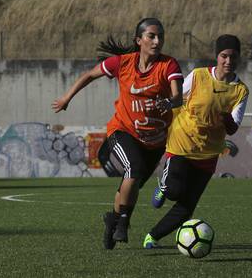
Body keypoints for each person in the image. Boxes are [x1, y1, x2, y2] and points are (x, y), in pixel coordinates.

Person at [51, 18, 183, 249]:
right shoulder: (121, 63)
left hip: (155, 141)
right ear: (138, 40)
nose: (157, 41)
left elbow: (178, 97)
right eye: (151, 36)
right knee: (134, 170)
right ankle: (122, 222)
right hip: (123, 130)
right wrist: (66, 97)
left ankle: (112, 220)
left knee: (129, 184)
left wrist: (168, 103)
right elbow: (90, 75)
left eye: (160, 36)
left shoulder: (169, 65)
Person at [142, 34, 249, 248]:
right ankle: (163, 187)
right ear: (217, 56)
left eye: (233, 57)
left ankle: (152, 236)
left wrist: (224, 116)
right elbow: (177, 96)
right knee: (173, 191)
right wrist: (165, 104)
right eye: (224, 56)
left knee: (187, 205)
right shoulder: (199, 76)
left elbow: (233, 128)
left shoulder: (240, 91)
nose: (228, 61)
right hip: (182, 142)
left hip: (208, 154)